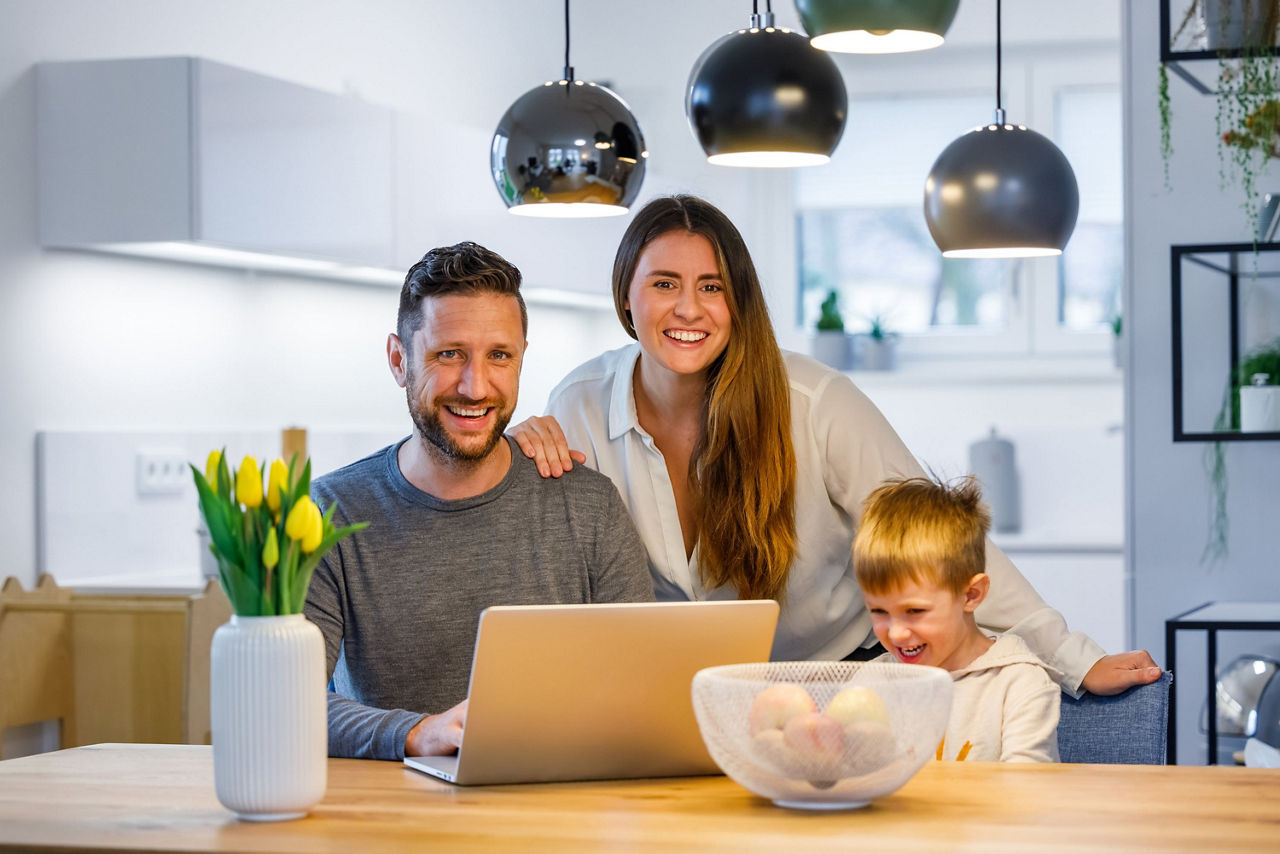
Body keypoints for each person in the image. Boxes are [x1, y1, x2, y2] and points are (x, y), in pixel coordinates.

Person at [510, 194, 1160, 698]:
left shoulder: (815, 403)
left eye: (711, 286)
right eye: (663, 284)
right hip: (698, 695)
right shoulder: (580, 403)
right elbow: (552, 559)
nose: (689, 309)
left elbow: (938, 535)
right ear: (626, 296)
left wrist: (1075, 659)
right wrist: (509, 453)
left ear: (738, 301)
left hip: (847, 682)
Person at [304, 241, 654, 762]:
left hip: (555, 813)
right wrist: (419, 733)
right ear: (399, 360)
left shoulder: (589, 508)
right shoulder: (331, 511)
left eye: (499, 356)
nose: (476, 386)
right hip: (393, 821)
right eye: (449, 354)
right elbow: (290, 699)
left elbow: (643, 684)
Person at [854, 475, 1060, 762]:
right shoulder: (869, 684)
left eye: (914, 611)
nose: (897, 633)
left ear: (971, 595)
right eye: (879, 611)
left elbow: (1024, 792)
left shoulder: (1019, 683)